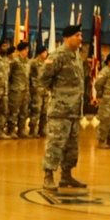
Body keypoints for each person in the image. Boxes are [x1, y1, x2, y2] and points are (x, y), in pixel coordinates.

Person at [39, 25, 86, 191]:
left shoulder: (77, 56)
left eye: (81, 35)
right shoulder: (58, 55)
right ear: (66, 38)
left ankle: (66, 176)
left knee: (71, 146)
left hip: (74, 110)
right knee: (55, 143)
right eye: (77, 35)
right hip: (60, 110)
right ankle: (48, 176)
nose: (81, 38)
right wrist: (59, 95)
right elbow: (44, 78)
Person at [6, 41, 30, 138]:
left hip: (25, 90)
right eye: (25, 49)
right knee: (14, 111)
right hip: (16, 90)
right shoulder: (14, 61)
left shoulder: (27, 61)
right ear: (20, 51)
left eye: (27, 49)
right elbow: (8, 75)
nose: (27, 51)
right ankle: (11, 130)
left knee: (24, 112)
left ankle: (21, 130)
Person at [28, 46, 49, 138]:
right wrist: (34, 87)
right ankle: (33, 130)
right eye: (44, 52)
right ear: (40, 53)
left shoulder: (47, 63)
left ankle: (42, 129)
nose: (46, 54)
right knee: (36, 110)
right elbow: (31, 76)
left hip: (46, 90)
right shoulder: (34, 63)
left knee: (45, 111)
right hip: (37, 90)